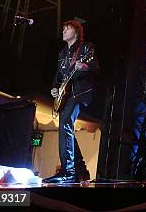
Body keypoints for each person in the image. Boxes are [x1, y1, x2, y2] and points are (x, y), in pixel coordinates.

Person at [43, 20, 99, 183]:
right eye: (63, 29)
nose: (64, 31)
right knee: (64, 126)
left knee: (65, 123)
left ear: (77, 32)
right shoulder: (62, 53)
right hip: (66, 95)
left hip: (81, 92)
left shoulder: (86, 48)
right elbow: (58, 76)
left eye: (68, 29)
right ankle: (79, 168)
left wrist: (85, 67)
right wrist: (54, 88)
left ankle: (68, 172)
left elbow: (95, 68)